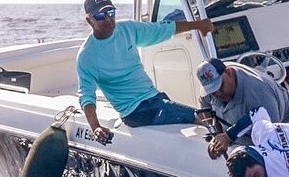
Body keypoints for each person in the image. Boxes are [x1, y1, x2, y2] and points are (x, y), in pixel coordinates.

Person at [77, 0, 214, 144]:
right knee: (202, 116)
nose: (108, 19)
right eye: (100, 16)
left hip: (156, 98)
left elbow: (160, 29)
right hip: (134, 112)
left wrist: (198, 25)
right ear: (89, 20)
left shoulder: (126, 29)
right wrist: (95, 127)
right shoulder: (86, 56)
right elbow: (87, 96)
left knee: (200, 113)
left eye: (111, 13)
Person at [196, 58, 289, 144]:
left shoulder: (258, 92)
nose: (217, 93)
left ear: (229, 72)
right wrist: (216, 133)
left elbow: (270, 138)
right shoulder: (211, 87)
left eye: (220, 86)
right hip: (244, 131)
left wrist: (228, 137)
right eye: (212, 90)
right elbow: (204, 104)